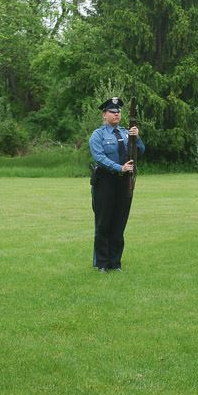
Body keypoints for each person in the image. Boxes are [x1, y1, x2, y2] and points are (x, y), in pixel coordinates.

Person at [89, 97, 145, 272]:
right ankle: (102, 264)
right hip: (105, 181)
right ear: (104, 114)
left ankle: (115, 263)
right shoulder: (98, 134)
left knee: (119, 223)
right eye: (113, 112)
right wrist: (119, 167)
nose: (117, 114)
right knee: (103, 223)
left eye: (119, 111)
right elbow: (99, 157)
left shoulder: (126, 132)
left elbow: (140, 151)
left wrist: (138, 137)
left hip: (124, 183)